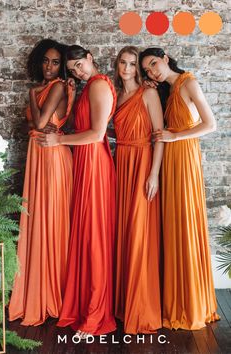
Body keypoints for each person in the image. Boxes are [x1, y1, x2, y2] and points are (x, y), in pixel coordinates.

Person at [37, 45, 117, 338]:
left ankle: (95, 316)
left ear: (90, 59)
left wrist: (59, 141)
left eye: (80, 65)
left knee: (93, 238)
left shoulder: (98, 85)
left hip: (95, 164)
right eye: (72, 69)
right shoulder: (88, 87)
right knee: (84, 236)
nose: (78, 71)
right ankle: (85, 306)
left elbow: (97, 134)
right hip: (85, 162)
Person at [139, 47, 220, 330]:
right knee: (173, 226)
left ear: (166, 58)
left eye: (154, 63)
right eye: (147, 70)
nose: (152, 71)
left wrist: (175, 137)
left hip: (184, 161)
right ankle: (176, 299)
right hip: (171, 162)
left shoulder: (188, 82)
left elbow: (210, 125)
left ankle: (191, 303)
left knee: (184, 224)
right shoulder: (168, 91)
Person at [9, 39, 74, 326]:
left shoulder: (57, 86)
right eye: (46, 61)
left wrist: (33, 98)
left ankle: (54, 290)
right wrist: (35, 115)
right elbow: (30, 126)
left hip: (51, 157)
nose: (49, 67)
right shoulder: (44, 88)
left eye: (55, 62)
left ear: (62, 66)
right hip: (40, 154)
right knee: (39, 221)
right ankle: (40, 285)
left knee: (51, 221)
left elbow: (38, 124)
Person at [112, 46, 164, 334]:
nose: (127, 68)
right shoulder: (116, 95)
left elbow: (159, 137)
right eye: (124, 62)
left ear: (139, 69)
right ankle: (123, 305)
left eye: (133, 64)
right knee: (124, 232)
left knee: (139, 233)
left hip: (143, 164)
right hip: (121, 165)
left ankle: (140, 305)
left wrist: (154, 174)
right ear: (117, 64)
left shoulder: (149, 93)